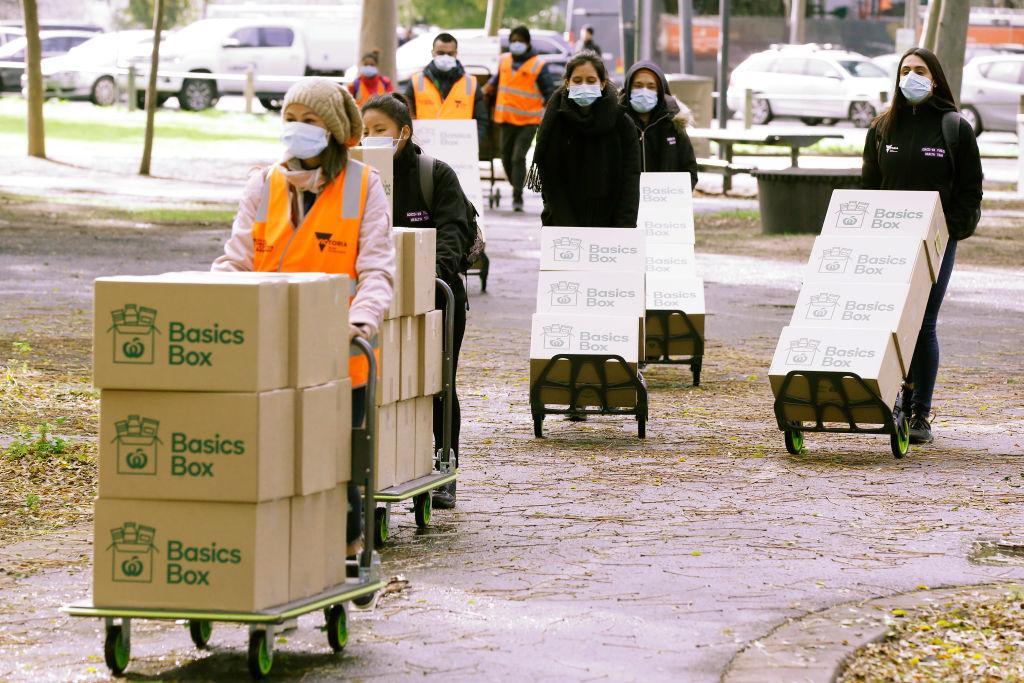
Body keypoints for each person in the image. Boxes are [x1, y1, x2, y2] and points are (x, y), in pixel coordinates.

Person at [212, 77, 395, 552]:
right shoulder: (263, 183)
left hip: (337, 354)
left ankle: (347, 551)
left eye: (309, 122)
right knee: (267, 463)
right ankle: (277, 560)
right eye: (290, 119)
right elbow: (234, 261)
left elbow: (377, 270)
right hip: (265, 353)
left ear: (332, 130)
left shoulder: (363, 186)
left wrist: (362, 321)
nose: (296, 130)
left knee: (334, 466)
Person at [861, 47, 983, 445]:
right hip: (888, 241)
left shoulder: (954, 129)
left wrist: (953, 231)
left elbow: (970, 190)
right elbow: (869, 187)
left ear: (935, 79)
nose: (911, 76)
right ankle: (892, 398)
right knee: (891, 321)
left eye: (920, 70)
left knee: (924, 322)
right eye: (905, 70)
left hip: (935, 243)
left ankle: (921, 413)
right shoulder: (882, 128)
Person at [361, 93, 474, 509]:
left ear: (404, 133)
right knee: (382, 388)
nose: (371, 139)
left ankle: (445, 463)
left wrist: (427, 278)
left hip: (435, 301)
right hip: (372, 300)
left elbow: (453, 233)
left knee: (437, 384)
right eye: (364, 132)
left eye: (380, 132)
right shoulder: (355, 177)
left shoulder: (435, 175)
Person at [534, 51, 640, 227]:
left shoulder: (621, 123)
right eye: (577, 80)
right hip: (562, 223)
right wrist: (567, 224)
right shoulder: (555, 121)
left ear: (602, 83)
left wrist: (624, 227)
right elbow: (551, 179)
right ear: (567, 83)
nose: (584, 85)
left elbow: (630, 180)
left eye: (591, 81)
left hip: (610, 224)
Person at [482, 25, 558, 212]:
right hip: (506, 119)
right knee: (506, 158)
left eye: (520, 41)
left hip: (528, 121)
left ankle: (517, 197)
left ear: (527, 43)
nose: (516, 44)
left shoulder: (538, 65)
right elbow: (496, 82)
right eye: (513, 41)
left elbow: (549, 92)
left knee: (518, 157)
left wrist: (550, 116)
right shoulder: (505, 60)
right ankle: (516, 184)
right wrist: (484, 91)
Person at [619, 60, 699, 188]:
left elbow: (689, 170)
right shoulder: (616, 122)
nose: (644, 91)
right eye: (638, 85)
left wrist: (676, 197)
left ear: (660, 90)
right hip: (626, 205)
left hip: (663, 204)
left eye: (651, 86)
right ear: (628, 88)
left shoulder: (674, 123)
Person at [404, 32, 489, 144]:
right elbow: (406, 117)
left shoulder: (471, 83)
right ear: (433, 53)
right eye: (440, 53)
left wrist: (473, 142)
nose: (445, 57)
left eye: (450, 54)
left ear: (456, 54)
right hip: (425, 148)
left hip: (460, 148)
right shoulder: (416, 81)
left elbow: (481, 119)